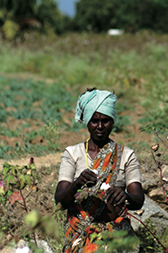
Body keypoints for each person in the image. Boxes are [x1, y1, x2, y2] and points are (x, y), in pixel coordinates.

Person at [55, 88, 145, 253]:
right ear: (88, 121)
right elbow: (60, 200)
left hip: (117, 234)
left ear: (112, 121)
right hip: (81, 235)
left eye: (106, 120)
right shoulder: (73, 154)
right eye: (95, 120)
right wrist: (77, 184)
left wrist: (125, 196)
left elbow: (138, 199)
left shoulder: (125, 155)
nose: (100, 126)